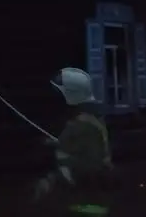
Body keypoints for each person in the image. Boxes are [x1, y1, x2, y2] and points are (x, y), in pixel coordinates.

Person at [32, 67, 114, 217]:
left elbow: (85, 164)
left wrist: (50, 182)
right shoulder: (88, 122)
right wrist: (59, 144)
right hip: (84, 201)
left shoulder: (84, 125)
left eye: (60, 95)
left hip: (85, 204)